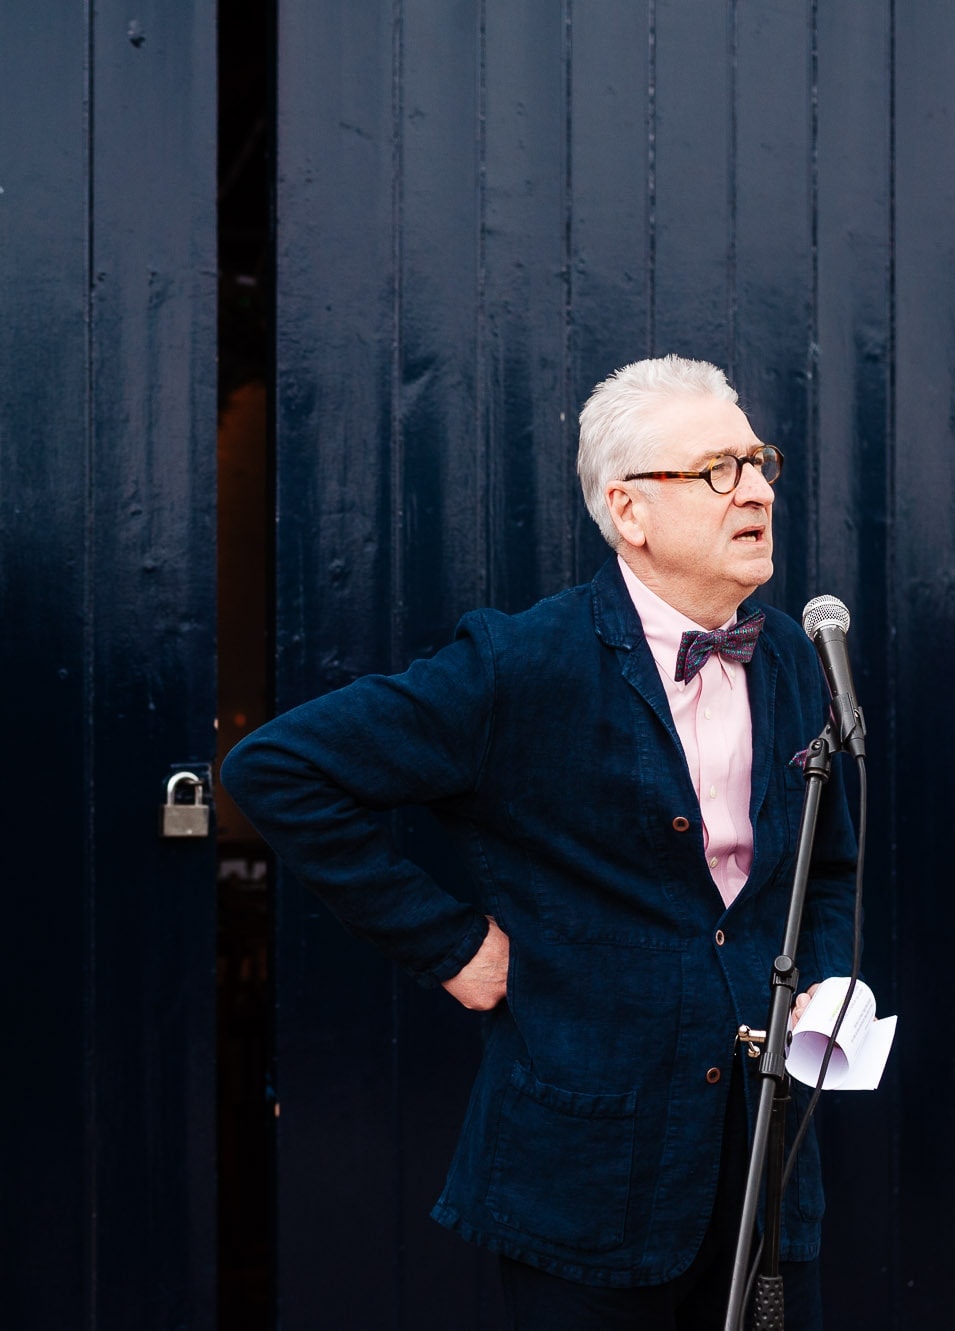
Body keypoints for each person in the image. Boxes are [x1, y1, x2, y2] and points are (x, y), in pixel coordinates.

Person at [220, 354, 857, 1330]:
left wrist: (820, 982)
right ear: (629, 509)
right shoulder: (519, 663)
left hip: (765, 1161)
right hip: (588, 1180)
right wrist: (450, 945)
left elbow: (827, 867)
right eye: (718, 468)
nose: (759, 488)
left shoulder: (788, 659)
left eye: (758, 460)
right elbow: (277, 768)